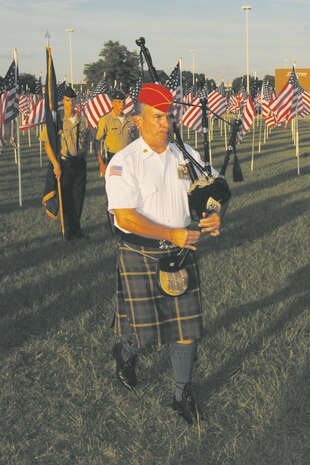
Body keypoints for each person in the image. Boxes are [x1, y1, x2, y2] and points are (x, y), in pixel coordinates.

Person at [105, 83, 221, 425]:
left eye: (168, 116)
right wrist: (170, 232)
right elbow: (124, 216)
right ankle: (125, 353)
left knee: (185, 327)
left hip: (181, 251)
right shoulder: (123, 162)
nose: (165, 123)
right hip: (141, 252)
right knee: (145, 330)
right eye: (157, 117)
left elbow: (215, 190)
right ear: (139, 121)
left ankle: (181, 393)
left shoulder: (187, 156)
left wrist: (214, 216)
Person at [41, 86, 91, 241]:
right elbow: (47, 144)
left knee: (78, 198)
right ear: (63, 101)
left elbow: (87, 140)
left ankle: (77, 230)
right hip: (64, 164)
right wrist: (55, 164)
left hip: (79, 164)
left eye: (73, 100)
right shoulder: (57, 121)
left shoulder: (83, 120)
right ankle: (67, 231)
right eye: (68, 100)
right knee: (66, 199)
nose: (71, 103)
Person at [95, 90, 137, 177]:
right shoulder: (106, 120)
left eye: (123, 102)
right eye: (118, 102)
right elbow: (97, 141)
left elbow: (135, 140)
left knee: (129, 184)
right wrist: (101, 163)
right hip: (114, 158)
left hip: (129, 159)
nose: (121, 105)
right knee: (116, 183)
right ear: (112, 104)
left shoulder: (130, 119)